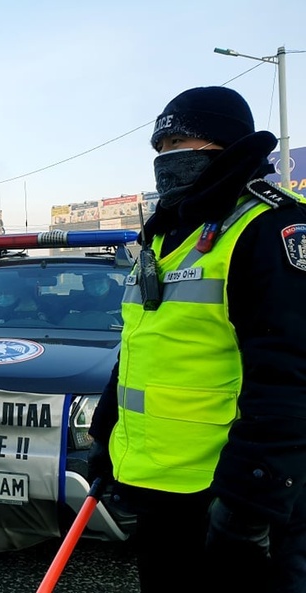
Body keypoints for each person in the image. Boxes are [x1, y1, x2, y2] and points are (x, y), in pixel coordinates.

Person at [87, 86, 306, 592]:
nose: (168, 159)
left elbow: (291, 378)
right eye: (160, 149)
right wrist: (106, 435)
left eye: (181, 143)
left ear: (227, 146)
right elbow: (146, 346)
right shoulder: (164, 234)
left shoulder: (269, 229)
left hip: (228, 496)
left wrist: (250, 502)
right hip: (162, 491)